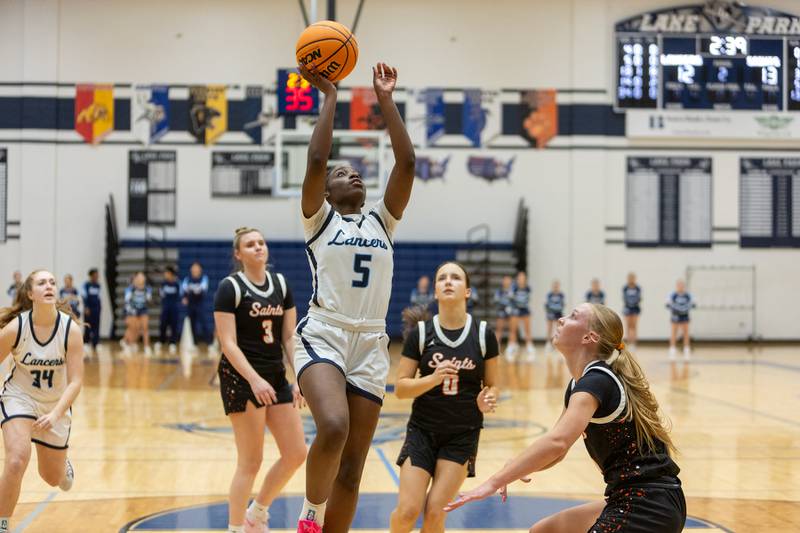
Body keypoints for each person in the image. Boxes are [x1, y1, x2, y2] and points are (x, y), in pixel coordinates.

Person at [293, 61, 415, 533]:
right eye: (344, 173)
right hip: (324, 333)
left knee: (352, 468)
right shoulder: (318, 220)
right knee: (334, 427)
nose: (355, 175)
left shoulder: (382, 222)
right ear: (326, 191)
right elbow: (316, 161)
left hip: (370, 342)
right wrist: (329, 97)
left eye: (358, 173)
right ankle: (310, 514)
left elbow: (406, 164)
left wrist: (386, 101)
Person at [444, 303, 686, 533]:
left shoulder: (598, 380)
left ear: (589, 337)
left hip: (650, 503)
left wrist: (493, 482)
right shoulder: (579, 384)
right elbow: (558, 451)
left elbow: (557, 442)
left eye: (573, 316)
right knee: (543, 531)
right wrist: (517, 468)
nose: (561, 319)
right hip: (631, 497)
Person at [390, 261, 499, 533]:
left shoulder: (484, 334)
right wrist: (432, 379)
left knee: (436, 511)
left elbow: (494, 385)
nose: (448, 281)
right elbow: (401, 388)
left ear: (468, 292)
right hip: (422, 432)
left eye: (455, 278)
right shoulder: (421, 334)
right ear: (435, 292)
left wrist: (487, 398)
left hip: (462, 434)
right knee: (407, 511)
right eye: (442, 278)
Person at [214, 227, 307, 533]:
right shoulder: (230, 288)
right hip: (242, 379)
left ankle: (258, 512)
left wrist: (300, 376)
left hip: (275, 376)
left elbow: (290, 337)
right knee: (250, 461)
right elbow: (228, 343)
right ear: (238, 254)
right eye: (250, 244)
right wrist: (254, 380)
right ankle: (236, 527)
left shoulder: (281, 284)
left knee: (296, 453)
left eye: (261, 242)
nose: (258, 247)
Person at [0, 270, 84, 533]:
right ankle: (2, 525)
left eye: (52, 282)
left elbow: (76, 381)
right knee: (16, 461)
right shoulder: (16, 328)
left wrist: (57, 414)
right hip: (19, 397)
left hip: (55, 405)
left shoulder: (71, 330)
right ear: (30, 293)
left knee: (52, 478)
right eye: (41, 283)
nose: (48, 286)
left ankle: (62, 465)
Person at [121, 272, 152, 357]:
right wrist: (131, 310)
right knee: (133, 328)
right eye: (139, 277)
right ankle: (128, 344)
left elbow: (149, 300)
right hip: (132, 311)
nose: (141, 279)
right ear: (135, 279)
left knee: (145, 328)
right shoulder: (130, 289)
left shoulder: (147, 289)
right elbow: (127, 301)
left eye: (142, 277)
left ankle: (147, 347)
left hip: (143, 310)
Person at [506, 271, 535, 363]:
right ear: (517, 279)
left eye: (523, 277)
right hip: (515, 309)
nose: (521, 279)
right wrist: (510, 308)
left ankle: (529, 346)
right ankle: (511, 345)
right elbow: (510, 298)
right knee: (513, 329)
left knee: (527, 329)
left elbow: (527, 299)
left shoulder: (528, 288)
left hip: (525, 309)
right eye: (520, 277)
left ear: (525, 279)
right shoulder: (513, 287)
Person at [182, 262, 211, 347]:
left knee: (204, 323)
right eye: (193, 268)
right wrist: (185, 298)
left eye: (197, 268)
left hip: (200, 304)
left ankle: (209, 343)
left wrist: (192, 290)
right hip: (190, 305)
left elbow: (201, 289)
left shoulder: (204, 278)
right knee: (192, 324)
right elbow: (184, 290)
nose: (195, 270)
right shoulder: (187, 279)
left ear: (200, 269)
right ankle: (194, 343)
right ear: (191, 269)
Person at [666, 279, 695, 361]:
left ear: (684, 286)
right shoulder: (673, 295)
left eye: (682, 285)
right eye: (679, 285)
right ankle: (672, 351)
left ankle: (686, 351)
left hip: (685, 316)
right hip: (675, 316)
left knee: (686, 334)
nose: (680, 287)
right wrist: (677, 309)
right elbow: (668, 304)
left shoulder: (688, 295)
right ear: (677, 286)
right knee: (674, 334)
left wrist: (683, 309)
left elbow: (692, 304)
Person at [158, 266, 182, 355]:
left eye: (167, 273)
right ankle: (161, 341)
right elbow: (161, 294)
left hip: (174, 307)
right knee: (163, 324)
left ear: (171, 274)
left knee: (173, 325)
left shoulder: (177, 283)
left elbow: (181, 294)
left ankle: (172, 343)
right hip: (165, 307)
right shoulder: (163, 283)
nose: (165, 275)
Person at [82, 268, 102, 355]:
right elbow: (84, 297)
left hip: (96, 309)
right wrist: (86, 307)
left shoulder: (98, 285)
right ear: (91, 275)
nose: (96, 277)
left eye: (97, 275)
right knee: (88, 326)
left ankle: (95, 343)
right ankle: (86, 342)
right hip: (89, 309)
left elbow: (98, 297)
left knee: (96, 326)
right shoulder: (86, 285)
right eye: (95, 275)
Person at [543, 280, 565, 353]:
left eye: (557, 286)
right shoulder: (549, 295)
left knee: (558, 329)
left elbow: (562, 305)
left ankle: (557, 344)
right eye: (554, 286)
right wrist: (549, 310)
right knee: (549, 329)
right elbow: (546, 304)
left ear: (559, 286)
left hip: (558, 313)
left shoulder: (561, 295)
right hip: (550, 313)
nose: (556, 287)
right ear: (552, 287)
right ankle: (548, 344)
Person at [622, 272, 642, 350]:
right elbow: (624, 298)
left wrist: (634, 303)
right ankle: (629, 342)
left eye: (632, 278)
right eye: (630, 278)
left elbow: (639, 298)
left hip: (635, 308)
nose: (631, 279)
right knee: (628, 326)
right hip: (627, 308)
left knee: (634, 326)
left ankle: (634, 343)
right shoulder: (625, 288)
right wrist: (629, 304)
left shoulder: (637, 288)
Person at [492, 275, 513, 347]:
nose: (507, 282)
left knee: (512, 330)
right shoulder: (499, 291)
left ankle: (511, 346)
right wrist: (504, 306)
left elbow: (516, 301)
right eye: (505, 280)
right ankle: (496, 345)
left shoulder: (513, 291)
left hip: (511, 313)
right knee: (499, 330)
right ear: (503, 281)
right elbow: (496, 301)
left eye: (508, 280)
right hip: (501, 312)